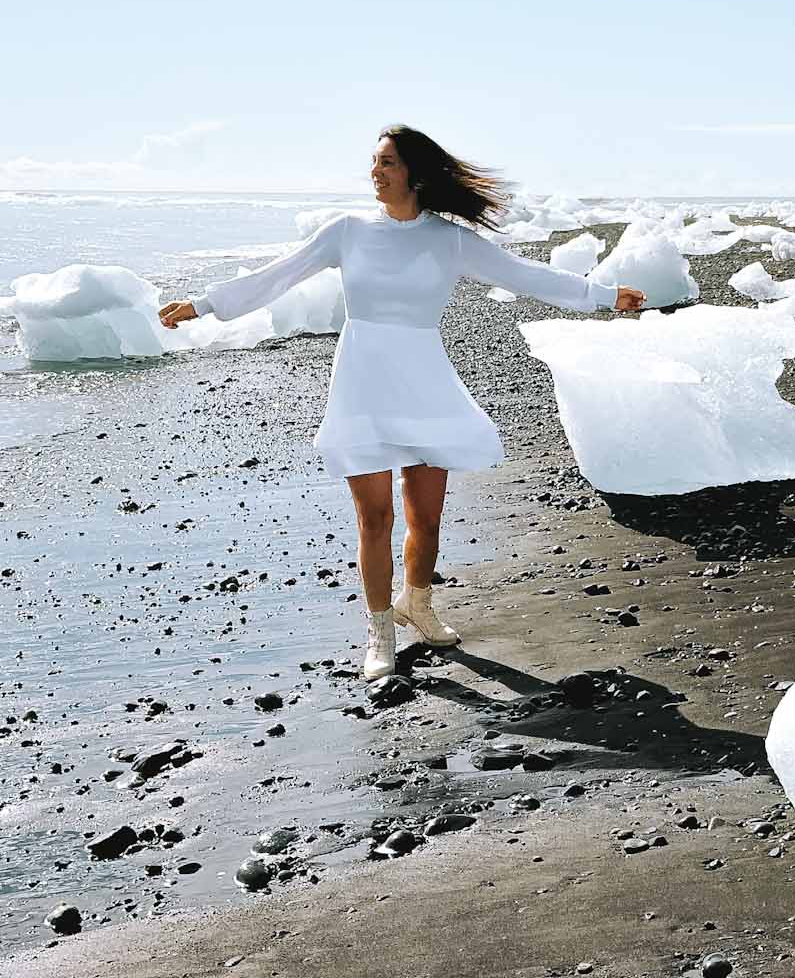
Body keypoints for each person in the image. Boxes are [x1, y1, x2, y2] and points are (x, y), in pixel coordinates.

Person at [159, 126, 643, 682]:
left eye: (386, 162)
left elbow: (524, 275)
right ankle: (380, 628)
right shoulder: (345, 231)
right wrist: (203, 304)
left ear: (414, 172)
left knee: (426, 518)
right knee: (375, 518)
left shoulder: (450, 239)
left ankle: (418, 602)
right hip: (362, 382)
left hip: (424, 383)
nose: (375, 171)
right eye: (373, 162)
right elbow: (278, 277)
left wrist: (604, 297)